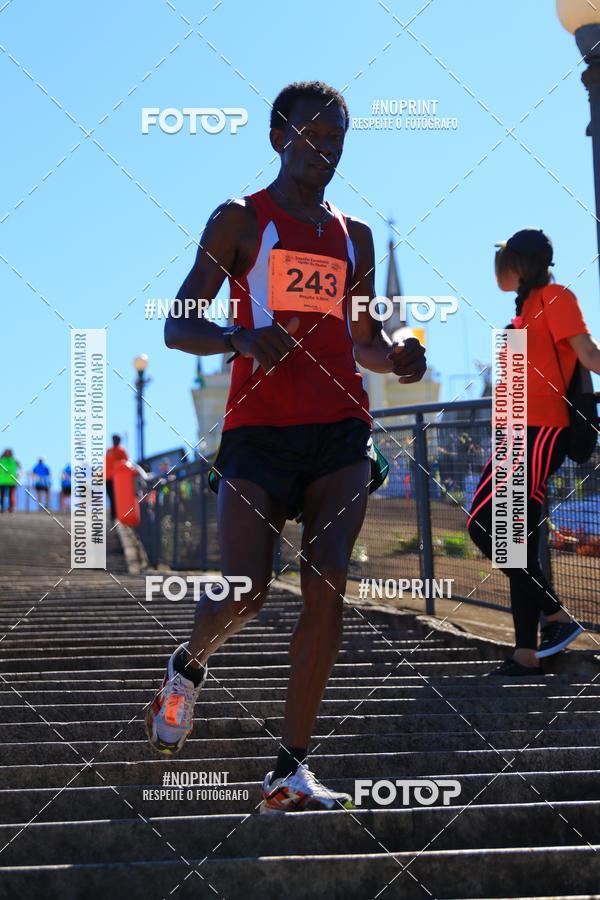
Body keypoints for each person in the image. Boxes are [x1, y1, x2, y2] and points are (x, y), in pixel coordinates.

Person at [146, 80, 426, 812]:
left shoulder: (352, 236)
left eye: (337, 137)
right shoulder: (241, 220)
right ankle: (186, 667)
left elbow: (363, 340)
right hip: (256, 430)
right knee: (248, 590)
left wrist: (395, 355)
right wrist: (238, 336)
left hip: (338, 429)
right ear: (279, 138)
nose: (325, 147)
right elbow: (178, 323)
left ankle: (288, 768)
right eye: (312, 134)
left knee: (326, 583)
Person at [467, 228, 600, 676]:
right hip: (515, 432)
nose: (497, 266)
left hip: (541, 430)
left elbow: (588, 353)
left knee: (484, 525)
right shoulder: (523, 308)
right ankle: (527, 651)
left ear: (520, 264)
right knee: (512, 537)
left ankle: (558, 617)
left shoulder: (556, 296)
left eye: (503, 258)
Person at [105, 435, 128, 521]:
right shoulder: (109, 451)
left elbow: (125, 462)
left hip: (118, 478)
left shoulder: (121, 451)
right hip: (108, 478)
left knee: (117, 497)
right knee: (111, 497)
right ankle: (113, 516)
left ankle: (118, 516)